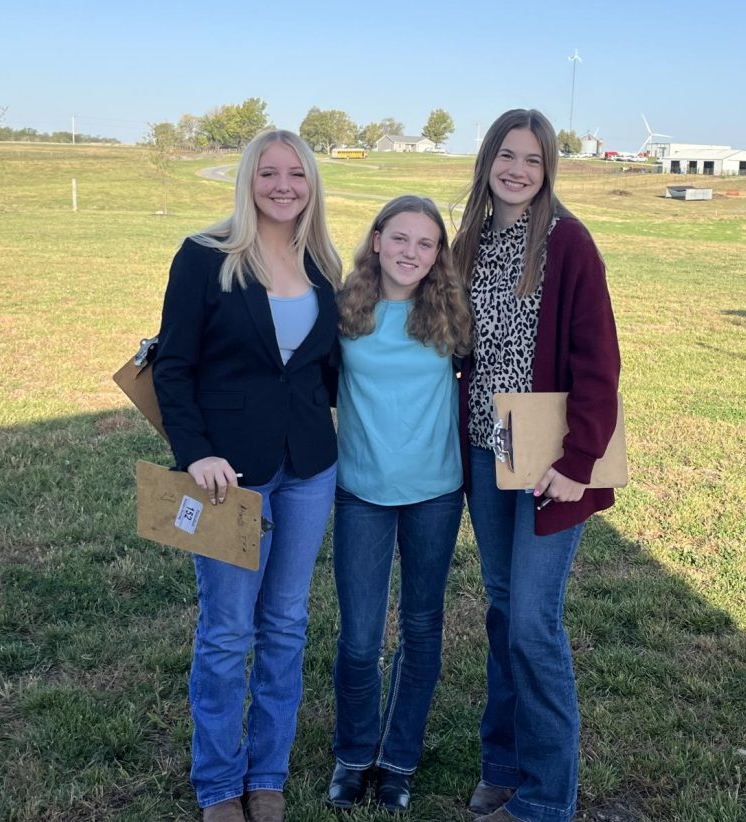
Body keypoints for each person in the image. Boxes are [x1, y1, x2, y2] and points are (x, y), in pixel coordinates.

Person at [152, 129, 342, 822]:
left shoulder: (322, 264)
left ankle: (267, 773)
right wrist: (194, 451)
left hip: (309, 469)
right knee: (229, 631)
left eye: (296, 173)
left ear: (312, 182)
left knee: (287, 624)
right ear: (248, 179)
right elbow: (173, 366)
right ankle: (217, 784)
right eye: (269, 172)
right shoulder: (205, 257)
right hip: (226, 477)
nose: (284, 185)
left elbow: (327, 370)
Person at [452, 109, 621, 822]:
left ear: (549, 168)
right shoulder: (470, 242)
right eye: (507, 156)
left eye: (532, 159)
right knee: (501, 611)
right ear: (488, 161)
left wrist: (580, 461)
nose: (518, 170)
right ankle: (504, 764)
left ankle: (549, 798)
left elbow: (599, 363)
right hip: (488, 449)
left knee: (533, 624)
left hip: (552, 458)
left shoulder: (568, 244)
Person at [326, 196, 472, 814]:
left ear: (438, 253)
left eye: (427, 243)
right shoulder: (343, 310)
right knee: (359, 639)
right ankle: (354, 755)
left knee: (421, 629)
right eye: (401, 239)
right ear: (378, 239)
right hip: (361, 490)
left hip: (435, 492)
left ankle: (398, 761)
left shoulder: (449, 313)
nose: (412, 253)